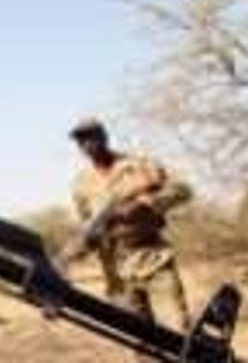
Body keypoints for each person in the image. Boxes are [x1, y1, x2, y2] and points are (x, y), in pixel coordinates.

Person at [67, 117, 192, 333]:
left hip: (153, 259)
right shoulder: (81, 184)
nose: (88, 144)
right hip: (118, 273)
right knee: (141, 343)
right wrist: (81, 247)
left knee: (179, 333)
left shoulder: (138, 165)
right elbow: (87, 226)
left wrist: (147, 204)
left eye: (92, 137)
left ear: (104, 137)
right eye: (81, 141)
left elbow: (183, 190)